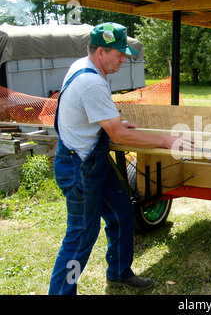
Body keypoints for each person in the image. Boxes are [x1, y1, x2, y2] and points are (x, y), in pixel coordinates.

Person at [48, 22, 195, 295]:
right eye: (119, 54)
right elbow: (117, 133)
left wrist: (111, 125)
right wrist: (165, 141)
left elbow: (98, 120)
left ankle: (119, 272)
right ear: (101, 51)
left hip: (92, 161)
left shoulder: (85, 67)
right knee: (80, 237)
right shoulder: (91, 81)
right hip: (79, 167)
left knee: (121, 212)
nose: (124, 59)